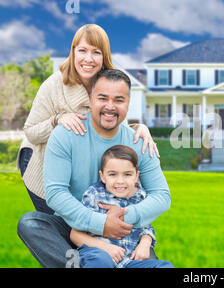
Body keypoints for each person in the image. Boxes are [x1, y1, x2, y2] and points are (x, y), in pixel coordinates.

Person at [17, 69, 171, 268]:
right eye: (102, 98)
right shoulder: (65, 134)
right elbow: (55, 194)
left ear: (128, 103)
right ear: (91, 99)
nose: (110, 106)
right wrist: (100, 223)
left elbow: (161, 196)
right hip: (73, 224)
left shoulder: (138, 141)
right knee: (30, 223)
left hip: (124, 230)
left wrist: (125, 216)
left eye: (118, 100)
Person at [17, 24, 159, 215]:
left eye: (96, 52)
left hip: (80, 169)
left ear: (104, 57)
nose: (88, 59)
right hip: (40, 161)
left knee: (85, 221)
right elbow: (31, 131)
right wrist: (56, 120)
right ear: (73, 52)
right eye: (82, 50)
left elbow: (114, 120)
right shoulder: (54, 85)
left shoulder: (110, 82)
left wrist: (138, 128)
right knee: (60, 224)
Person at [71, 145, 173, 268]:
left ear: (136, 176)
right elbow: (75, 234)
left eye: (127, 174)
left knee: (165, 266)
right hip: (98, 253)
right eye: (113, 174)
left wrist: (145, 242)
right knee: (101, 261)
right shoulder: (94, 194)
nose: (120, 181)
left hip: (128, 261)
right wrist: (106, 247)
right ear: (102, 176)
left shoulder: (140, 197)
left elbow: (146, 226)